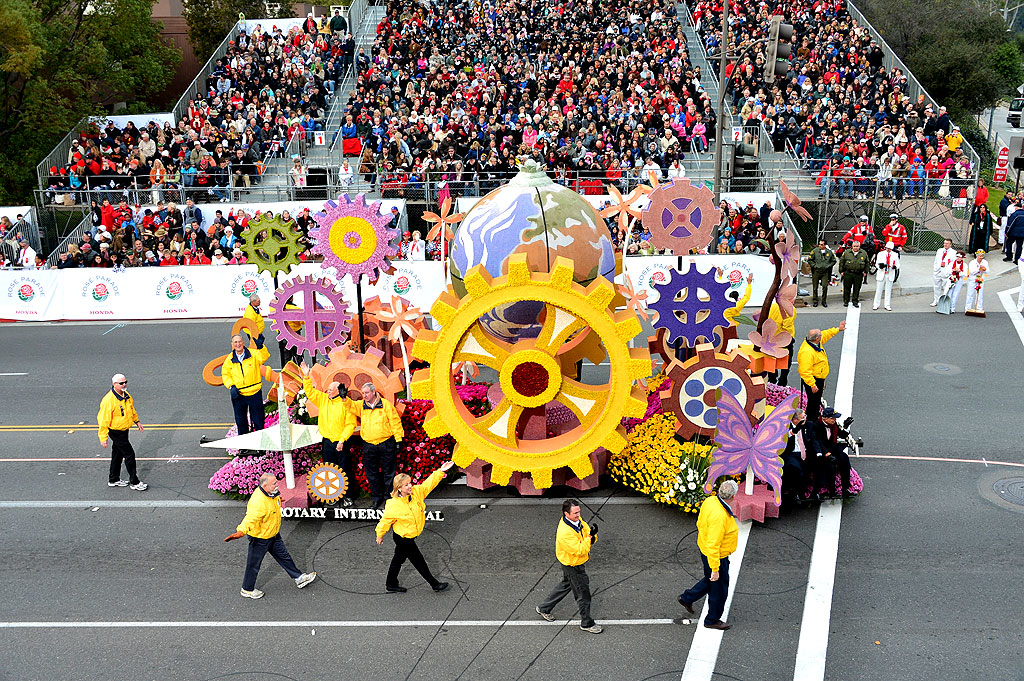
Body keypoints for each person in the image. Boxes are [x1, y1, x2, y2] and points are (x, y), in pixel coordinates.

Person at [224, 472, 318, 599]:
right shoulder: (258, 501)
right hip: (260, 538)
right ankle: (247, 589)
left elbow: (274, 501)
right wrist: (241, 531)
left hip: (272, 534)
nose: (277, 485)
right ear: (265, 485)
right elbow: (250, 518)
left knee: (285, 557)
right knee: (253, 564)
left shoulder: (270, 494)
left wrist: (279, 500)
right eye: (274, 483)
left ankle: (299, 578)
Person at [374, 461, 455, 593]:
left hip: (409, 536)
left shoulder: (416, 492)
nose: (410, 486)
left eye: (410, 483)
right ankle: (434, 584)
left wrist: (441, 471)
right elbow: (385, 521)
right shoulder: (394, 505)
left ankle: (391, 583)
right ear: (399, 488)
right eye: (406, 485)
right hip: (404, 538)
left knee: (398, 560)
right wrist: (379, 534)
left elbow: (429, 484)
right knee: (419, 561)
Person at [678, 479, 739, 631]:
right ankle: (712, 619)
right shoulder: (720, 516)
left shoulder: (710, 500)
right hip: (716, 555)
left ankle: (687, 598)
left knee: (710, 580)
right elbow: (714, 544)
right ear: (732, 497)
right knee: (719, 589)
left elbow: (700, 523)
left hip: (704, 548)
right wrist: (715, 568)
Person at [536, 498, 603, 634]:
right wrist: (590, 538)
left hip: (569, 562)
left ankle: (544, 608)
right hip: (573, 564)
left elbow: (585, 531)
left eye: (579, 512)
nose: (578, 515)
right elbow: (580, 550)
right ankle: (587, 623)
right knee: (583, 594)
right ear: (566, 514)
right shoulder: (565, 532)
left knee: (567, 584)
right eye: (575, 513)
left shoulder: (575, 521)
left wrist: (591, 536)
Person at [300, 362, 357, 506]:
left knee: (345, 470)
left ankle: (347, 496)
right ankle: (333, 496)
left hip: (341, 442)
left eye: (331, 389)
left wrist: (342, 440)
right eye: (328, 389)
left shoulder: (346, 403)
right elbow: (310, 392)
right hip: (327, 442)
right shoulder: (324, 399)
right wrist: (306, 376)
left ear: (339, 390)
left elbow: (351, 424)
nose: (328, 391)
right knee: (329, 470)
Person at [350, 382, 404, 510]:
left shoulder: (386, 405)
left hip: (386, 442)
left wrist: (398, 440)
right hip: (369, 445)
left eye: (366, 393)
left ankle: (389, 499)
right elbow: (349, 406)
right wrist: (343, 398)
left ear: (373, 392)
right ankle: (376, 498)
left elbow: (395, 422)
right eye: (363, 393)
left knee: (389, 473)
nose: (364, 396)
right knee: (372, 473)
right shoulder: (361, 406)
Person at [97, 373, 147, 490]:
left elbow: (131, 409)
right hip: (116, 431)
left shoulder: (126, 395)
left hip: (124, 429)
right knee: (129, 454)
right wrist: (103, 438)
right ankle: (134, 482)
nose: (124, 384)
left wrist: (137, 421)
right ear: (114, 384)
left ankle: (113, 479)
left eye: (125, 382)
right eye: (121, 383)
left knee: (117, 454)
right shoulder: (108, 400)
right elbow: (103, 420)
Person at [222, 332, 269, 436]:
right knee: (241, 422)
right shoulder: (229, 360)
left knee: (258, 421)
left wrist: (261, 347)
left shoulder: (254, 354)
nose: (238, 344)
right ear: (232, 344)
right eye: (235, 342)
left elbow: (264, 357)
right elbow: (225, 374)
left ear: (243, 342)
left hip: (254, 393)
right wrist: (231, 386)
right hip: (239, 394)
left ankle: (260, 446)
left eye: (239, 342)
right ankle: (244, 448)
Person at [797, 322, 847, 421]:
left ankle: (813, 418)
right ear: (816, 338)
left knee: (816, 401)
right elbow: (805, 371)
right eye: (820, 335)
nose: (822, 335)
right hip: (814, 380)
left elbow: (826, 334)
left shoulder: (813, 342)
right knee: (813, 402)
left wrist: (838, 329)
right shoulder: (807, 352)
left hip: (818, 378)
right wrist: (812, 384)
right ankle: (811, 420)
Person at [806, 407, 854, 499]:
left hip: (833, 449)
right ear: (825, 418)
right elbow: (818, 442)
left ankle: (845, 489)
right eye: (832, 418)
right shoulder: (816, 426)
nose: (834, 420)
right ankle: (832, 491)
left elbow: (841, 434)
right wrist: (828, 454)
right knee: (830, 466)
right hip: (822, 452)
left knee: (845, 460)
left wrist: (846, 428)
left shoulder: (833, 425)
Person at [838, 240, 869, 307]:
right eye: (854, 246)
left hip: (858, 274)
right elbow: (842, 262)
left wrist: (866, 271)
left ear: (859, 246)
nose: (855, 248)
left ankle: (855, 301)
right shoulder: (847, 252)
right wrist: (841, 271)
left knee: (857, 288)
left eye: (857, 246)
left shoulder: (863, 253)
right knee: (847, 288)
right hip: (848, 273)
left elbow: (867, 263)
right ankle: (846, 300)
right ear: (852, 246)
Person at [872, 241, 900, 311]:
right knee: (879, 290)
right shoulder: (880, 254)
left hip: (890, 274)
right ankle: (876, 304)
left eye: (890, 249)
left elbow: (898, 264)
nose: (888, 250)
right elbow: (876, 264)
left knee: (888, 290)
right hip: (882, 273)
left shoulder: (895, 255)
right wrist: (880, 267)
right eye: (887, 248)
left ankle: (887, 305)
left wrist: (895, 267)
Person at [808, 239, 836, 307]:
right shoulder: (815, 251)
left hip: (825, 272)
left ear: (825, 245)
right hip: (816, 272)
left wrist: (828, 266)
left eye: (822, 244)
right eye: (819, 244)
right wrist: (814, 266)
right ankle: (815, 300)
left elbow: (833, 261)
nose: (820, 245)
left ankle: (824, 300)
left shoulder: (829, 252)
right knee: (815, 287)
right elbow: (810, 260)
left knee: (825, 286)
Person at [931, 239, 955, 307]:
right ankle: (936, 300)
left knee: (945, 287)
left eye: (947, 243)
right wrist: (935, 268)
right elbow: (936, 260)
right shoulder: (940, 250)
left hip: (946, 272)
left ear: (950, 244)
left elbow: (952, 263)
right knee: (936, 286)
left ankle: (944, 301)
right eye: (944, 243)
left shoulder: (953, 252)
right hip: (938, 270)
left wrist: (948, 271)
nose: (945, 245)